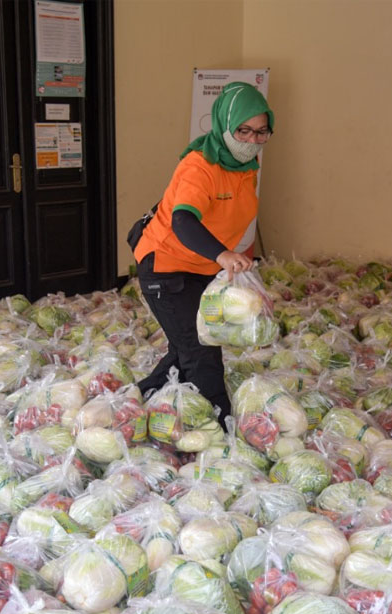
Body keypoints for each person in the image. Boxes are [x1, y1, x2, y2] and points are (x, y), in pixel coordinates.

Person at [133, 82, 273, 425]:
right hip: (165, 266)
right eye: (243, 130)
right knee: (201, 351)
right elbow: (183, 220)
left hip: (200, 267)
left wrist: (223, 258)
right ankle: (221, 425)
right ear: (224, 125)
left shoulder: (247, 167)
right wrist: (222, 254)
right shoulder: (200, 166)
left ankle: (140, 398)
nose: (252, 140)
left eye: (261, 131)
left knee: (188, 345)